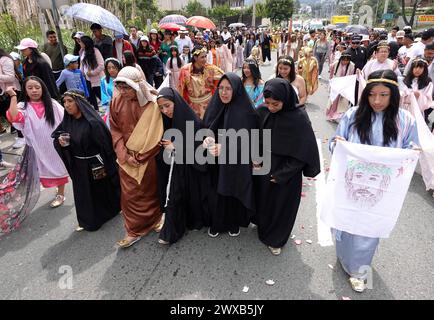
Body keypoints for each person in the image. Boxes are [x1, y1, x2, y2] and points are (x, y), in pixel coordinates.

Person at [329, 70, 418, 292]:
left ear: (394, 95)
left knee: (368, 228)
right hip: (353, 182)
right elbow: (334, 143)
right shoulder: (353, 115)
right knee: (346, 222)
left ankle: (359, 270)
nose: (377, 101)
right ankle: (344, 256)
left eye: (384, 95)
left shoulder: (405, 120)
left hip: (380, 188)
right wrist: (337, 143)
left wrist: (412, 152)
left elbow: (410, 150)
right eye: (372, 95)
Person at [254, 78, 320, 255]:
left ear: (286, 98)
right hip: (263, 167)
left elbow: (304, 152)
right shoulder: (262, 111)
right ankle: (263, 227)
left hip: (287, 173)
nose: (271, 108)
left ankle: (276, 239)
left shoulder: (298, 118)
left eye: (275, 104)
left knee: (281, 206)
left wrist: (282, 174)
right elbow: (255, 136)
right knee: (264, 201)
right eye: (267, 103)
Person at [109, 67, 163, 248]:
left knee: (150, 190)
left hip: (148, 157)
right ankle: (133, 230)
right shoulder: (115, 102)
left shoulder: (152, 104)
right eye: (120, 88)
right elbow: (115, 130)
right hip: (125, 159)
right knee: (129, 195)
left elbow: (157, 135)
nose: (123, 92)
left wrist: (142, 156)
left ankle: (156, 219)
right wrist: (124, 155)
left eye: (127, 88)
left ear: (138, 86)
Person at [52, 90, 120, 231]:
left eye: (70, 101)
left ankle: (109, 212)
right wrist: (61, 142)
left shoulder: (93, 122)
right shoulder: (68, 122)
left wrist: (108, 164)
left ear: (79, 102)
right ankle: (87, 220)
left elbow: (106, 145)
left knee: (100, 190)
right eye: (64, 102)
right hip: (78, 164)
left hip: (96, 163)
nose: (66, 105)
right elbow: (57, 134)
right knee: (83, 193)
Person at [202, 73, 259, 237]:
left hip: (235, 162)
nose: (223, 93)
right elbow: (206, 127)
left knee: (233, 190)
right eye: (221, 88)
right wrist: (206, 139)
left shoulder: (246, 112)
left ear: (236, 90)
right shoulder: (215, 105)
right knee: (216, 191)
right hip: (215, 161)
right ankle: (217, 223)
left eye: (228, 88)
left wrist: (226, 147)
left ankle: (233, 222)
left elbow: (251, 140)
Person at [156, 87, 211, 244]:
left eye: (167, 105)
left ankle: (172, 231)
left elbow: (199, 150)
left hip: (191, 169)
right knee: (174, 196)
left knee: (179, 196)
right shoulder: (166, 121)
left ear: (176, 103)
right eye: (161, 107)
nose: (165, 110)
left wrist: (176, 147)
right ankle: (170, 232)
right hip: (176, 167)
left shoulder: (192, 121)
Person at [6, 76, 68, 208]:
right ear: (25, 90)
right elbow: (13, 117)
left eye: (37, 87)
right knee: (40, 171)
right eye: (30, 88)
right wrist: (13, 97)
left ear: (43, 88)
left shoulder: (52, 104)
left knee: (59, 167)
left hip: (55, 145)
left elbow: (66, 119)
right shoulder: (23, 106)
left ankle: (61, 194)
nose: (34, 90)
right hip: (36, 146)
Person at [178, 45, 224, 119]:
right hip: (192, 106)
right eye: (202, 57)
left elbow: (224, 77)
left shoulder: (210, 69)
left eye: (205, 56)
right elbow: (181, 90)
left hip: (209, 105)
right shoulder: (185, 70)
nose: (205, 59)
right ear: (195, 58)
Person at [326, 51, 355, 122]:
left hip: (345, 85)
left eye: (347, 60)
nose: (345, 62)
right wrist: (331, 84)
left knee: (342, 102)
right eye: (344, 60)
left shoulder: (352, 65)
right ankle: (330, 115)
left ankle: (337, 116)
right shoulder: (335, 64)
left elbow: (351, 76)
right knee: (334, 101)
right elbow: (331, 74)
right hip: (336, 84)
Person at [79, 36, 105, 111]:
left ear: (85, 43)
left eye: (81, 42)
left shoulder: (95, 51)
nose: (79, 43)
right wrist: (81, 73)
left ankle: (108, 110)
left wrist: (92, 73)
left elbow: (101, 65)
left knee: (101, 96)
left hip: (97, 80)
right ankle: (96, 111)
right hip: (87, 79)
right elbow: (82, 64)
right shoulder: (82, 52)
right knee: (91, 97)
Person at [0, 48, 22, 136]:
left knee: (15, 114)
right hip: (3, 93)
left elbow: (10, 77)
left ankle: (22, 136)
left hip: (11, 91)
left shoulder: (5, 60)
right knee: (8, 114)